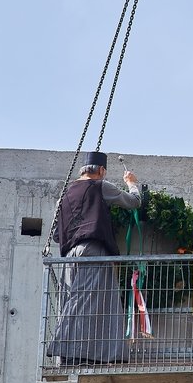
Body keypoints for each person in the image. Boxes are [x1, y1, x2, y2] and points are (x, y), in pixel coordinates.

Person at [47, 151, 142, 365]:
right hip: (93, 250)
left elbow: (56, 234)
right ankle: (74, 352)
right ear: (101, 170)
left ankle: (73, 354)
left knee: (74, 300)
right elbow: (134, 202)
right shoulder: (100, 186)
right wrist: (131, 183)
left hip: (69, 255)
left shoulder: (65, 194)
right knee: (99, 302)